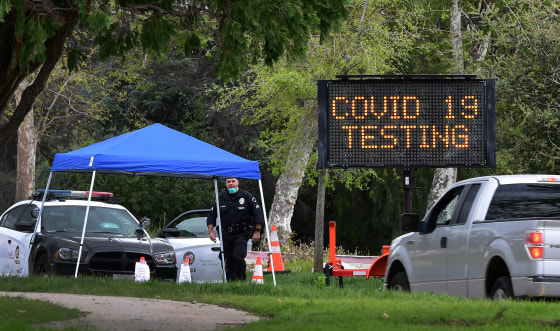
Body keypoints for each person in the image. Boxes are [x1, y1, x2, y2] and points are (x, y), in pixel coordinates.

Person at [207, 177, 264, 281]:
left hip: (241, 233)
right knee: (227, 258)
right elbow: (211, 215)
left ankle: (241, 280)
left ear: (238, 182)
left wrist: (257, 231)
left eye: (233, 181)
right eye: (228, 181)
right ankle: (230, 282)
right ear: (226, 183)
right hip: (226, 234)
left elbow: (258, 214)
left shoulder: (247, 197)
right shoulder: (221, 198)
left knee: (238, 256)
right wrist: (211, 231)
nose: (231, 184)